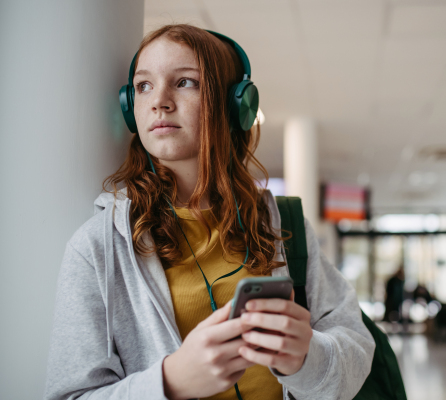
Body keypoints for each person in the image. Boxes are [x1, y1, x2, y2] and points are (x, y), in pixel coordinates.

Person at [44, 24, 374, 400]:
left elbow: (356, 348)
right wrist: (171, 381)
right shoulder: (98, 246)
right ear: (129, 108)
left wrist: (306, 357)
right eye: (143, 86)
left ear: (238, 106)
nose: (159, 101)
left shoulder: (282, 224)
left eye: (185, 82)